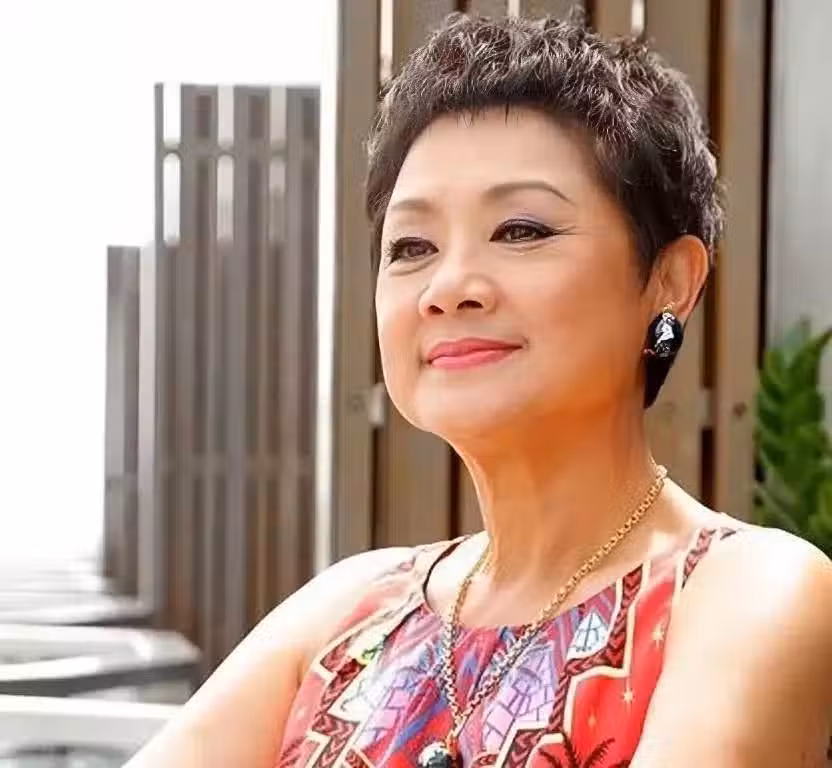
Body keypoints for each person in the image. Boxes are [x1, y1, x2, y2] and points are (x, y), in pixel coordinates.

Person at [127, 12, 832, 768]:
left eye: (521, 230)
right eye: (412, 246)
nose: (448, 286)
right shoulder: (351, 609)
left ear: (670, 281)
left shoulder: (743, 591)